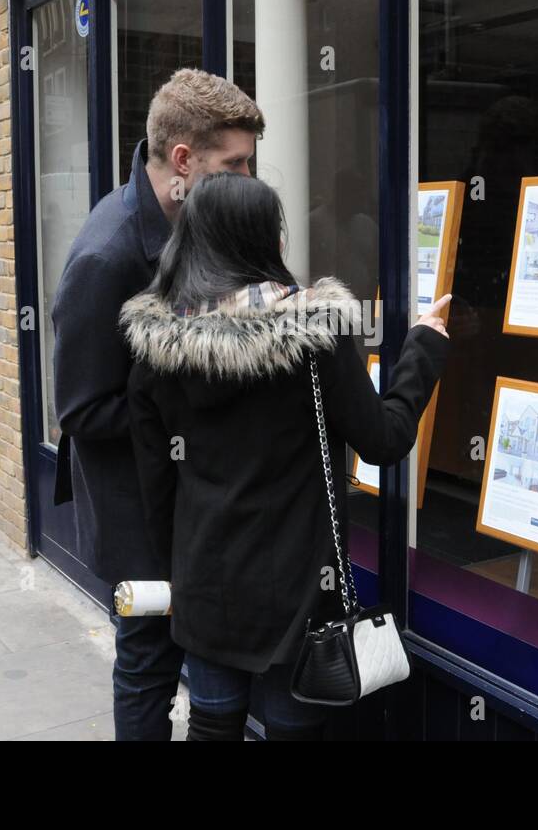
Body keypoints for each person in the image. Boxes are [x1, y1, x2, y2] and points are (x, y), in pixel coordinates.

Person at [121, 172, 450, 741]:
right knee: (294, 730)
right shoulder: (314, 336)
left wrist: (178, 573)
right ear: (262, 242)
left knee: (211, 724)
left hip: (205, 582)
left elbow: (156, 490)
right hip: (301, 587)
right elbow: (384, 440)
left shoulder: (157, 350)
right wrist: (424, 347)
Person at [51, 69, 265, 742]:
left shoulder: (195, 223)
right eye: (236, 163)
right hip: (138, 515)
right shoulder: (105, 257)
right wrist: (193, 410)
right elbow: (82, 410)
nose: (248, 178)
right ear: (182, 161)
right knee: (147, 663)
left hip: (190, 504)